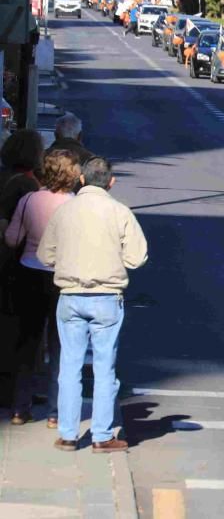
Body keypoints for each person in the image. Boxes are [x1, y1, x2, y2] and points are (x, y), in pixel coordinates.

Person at [39, 157, 148, 453]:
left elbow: (44, 255)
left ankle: (68, 434)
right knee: (104, 369)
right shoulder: (120, 212)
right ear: (111, 183)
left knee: (69, 366)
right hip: (106, 297)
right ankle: (101, 436)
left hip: (70, 296)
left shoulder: (65, 211)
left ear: (82, 180)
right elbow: (137, 257)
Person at [4, 150, 80, 427]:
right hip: (61, 278)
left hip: (29, 274)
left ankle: (19, 409)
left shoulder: (28, 200)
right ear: (72, 174)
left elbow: (13, 239)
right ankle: (54, 412)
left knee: (27, 343)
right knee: (60, 346)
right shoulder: (75, 205)